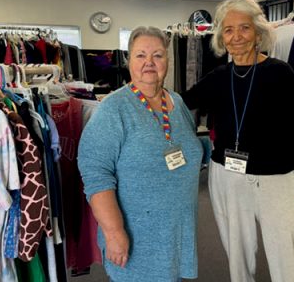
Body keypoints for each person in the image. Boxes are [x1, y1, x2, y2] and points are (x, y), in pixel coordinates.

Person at [182, 0, 294, 282]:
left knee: (288, 257)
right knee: (238, 258)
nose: (236, 37)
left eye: (244, 27)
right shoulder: (218, 77)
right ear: (221, 37)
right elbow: (179, 103)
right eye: (229, 30)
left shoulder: (280, 74)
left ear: (258, 32)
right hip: (227, 178)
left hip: (277, 180)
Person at [77, 26, 203, 282]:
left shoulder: (176, 102)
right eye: (140, 55)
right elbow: (96, 175)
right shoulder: (114, 109)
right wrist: (114, 233)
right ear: (128, 61)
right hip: (137, 235)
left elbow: (186, 146)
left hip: (176, 230)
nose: (149, 63)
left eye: (157, 55)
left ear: (167, 60)